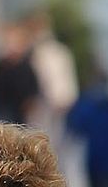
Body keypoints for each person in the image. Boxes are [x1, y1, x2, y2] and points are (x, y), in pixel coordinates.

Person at [28, 12, 79, 142]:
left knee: (53, 138)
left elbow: (61, 77)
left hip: (55, 101)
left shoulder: (55, 51)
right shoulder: (33, 51)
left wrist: (63, 98)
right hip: (40, 102)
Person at [0, 24, 41, 126]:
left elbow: (33, 89)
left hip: (19, 114)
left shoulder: (26, 66)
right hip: (0, 112)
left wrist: (30, 104)